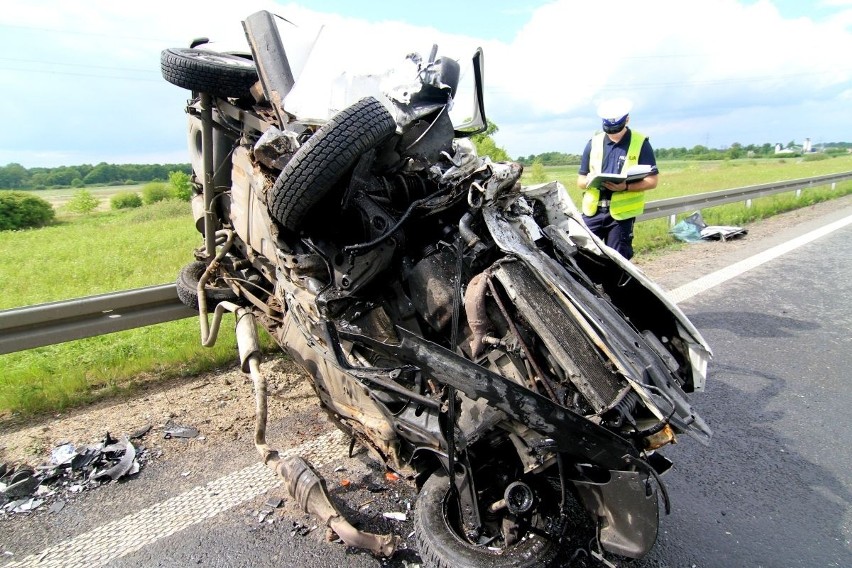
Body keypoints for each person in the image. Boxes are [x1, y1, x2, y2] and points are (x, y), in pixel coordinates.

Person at [576, 98, 658, 260]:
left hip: (621, 217)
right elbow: (580, 181)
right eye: (609, 129)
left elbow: (652, 181)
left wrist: (625, 187)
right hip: (593, 213)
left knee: (618, 262)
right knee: (583, 256)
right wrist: (590, 180)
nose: (613, 133)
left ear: (627, 119)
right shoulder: (593, 143)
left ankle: (612, 286)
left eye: (616, 129)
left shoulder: (641, 143)